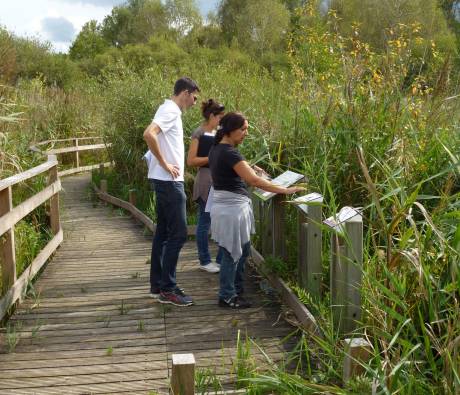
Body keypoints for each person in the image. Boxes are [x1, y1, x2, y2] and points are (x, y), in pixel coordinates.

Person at [208, 112, 305, 309]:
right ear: (230, 130)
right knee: (231, 253)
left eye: (247, 130)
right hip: (231, 210)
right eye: (243, 129)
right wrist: (285, 189)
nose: (246, 133)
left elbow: (240, 173)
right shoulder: (230, 152)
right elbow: (253, 180)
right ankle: (227, 296)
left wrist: (251, 169)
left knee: (240, 251)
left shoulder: (217, 149)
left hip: (227, 207)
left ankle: (235, 291)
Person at [143, 77, 200, 307]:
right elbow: (149, 134)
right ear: (185, 93)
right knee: (178, 234)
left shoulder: (166, 108)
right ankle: (168, 288)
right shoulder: (171, 111)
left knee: (163, 234)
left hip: (164, 181)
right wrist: (166, 164)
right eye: (194, 97)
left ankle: (158, 286)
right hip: (169, 182)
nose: (195, 102)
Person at [187, 99, 225, 273]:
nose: (221, 120)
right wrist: (213, 158)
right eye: (219, 117)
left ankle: (220, 260)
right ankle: (204, 261)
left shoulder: (219, 134)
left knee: (221, 221)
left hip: (220, 181)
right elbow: (191, 161)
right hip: (205, 180)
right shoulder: (199, 133)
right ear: (211, 116)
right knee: (205, 221)